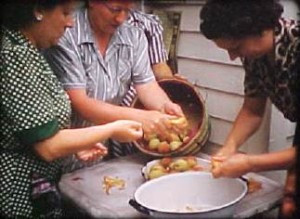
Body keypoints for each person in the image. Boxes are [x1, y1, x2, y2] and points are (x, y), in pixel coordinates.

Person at [0, 0, 144, 218]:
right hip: (18, 193)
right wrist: (112, 129)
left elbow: (33, 129)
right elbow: (48, 146)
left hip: (39, 185)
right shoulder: (14, 54)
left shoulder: (28, 50)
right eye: (66, 13)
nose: (70, 23)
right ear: (38, 10)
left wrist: (77, 144)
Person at [44, 0, 185, 172]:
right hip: (63, 144)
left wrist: (165, 106)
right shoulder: (67, 33)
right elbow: (80, 103)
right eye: (115, 9)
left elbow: (147, 85)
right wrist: (141, 118)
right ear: (93, 3)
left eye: (128, 10)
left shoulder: (134, 36)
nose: (121, 18)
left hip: (99, 149)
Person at [200, 0, 299, 217]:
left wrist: (248, 163)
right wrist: (230, 146)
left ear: (260, 28)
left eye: (235, 47)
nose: (233, 56)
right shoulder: (256, 57)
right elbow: (253, 110)